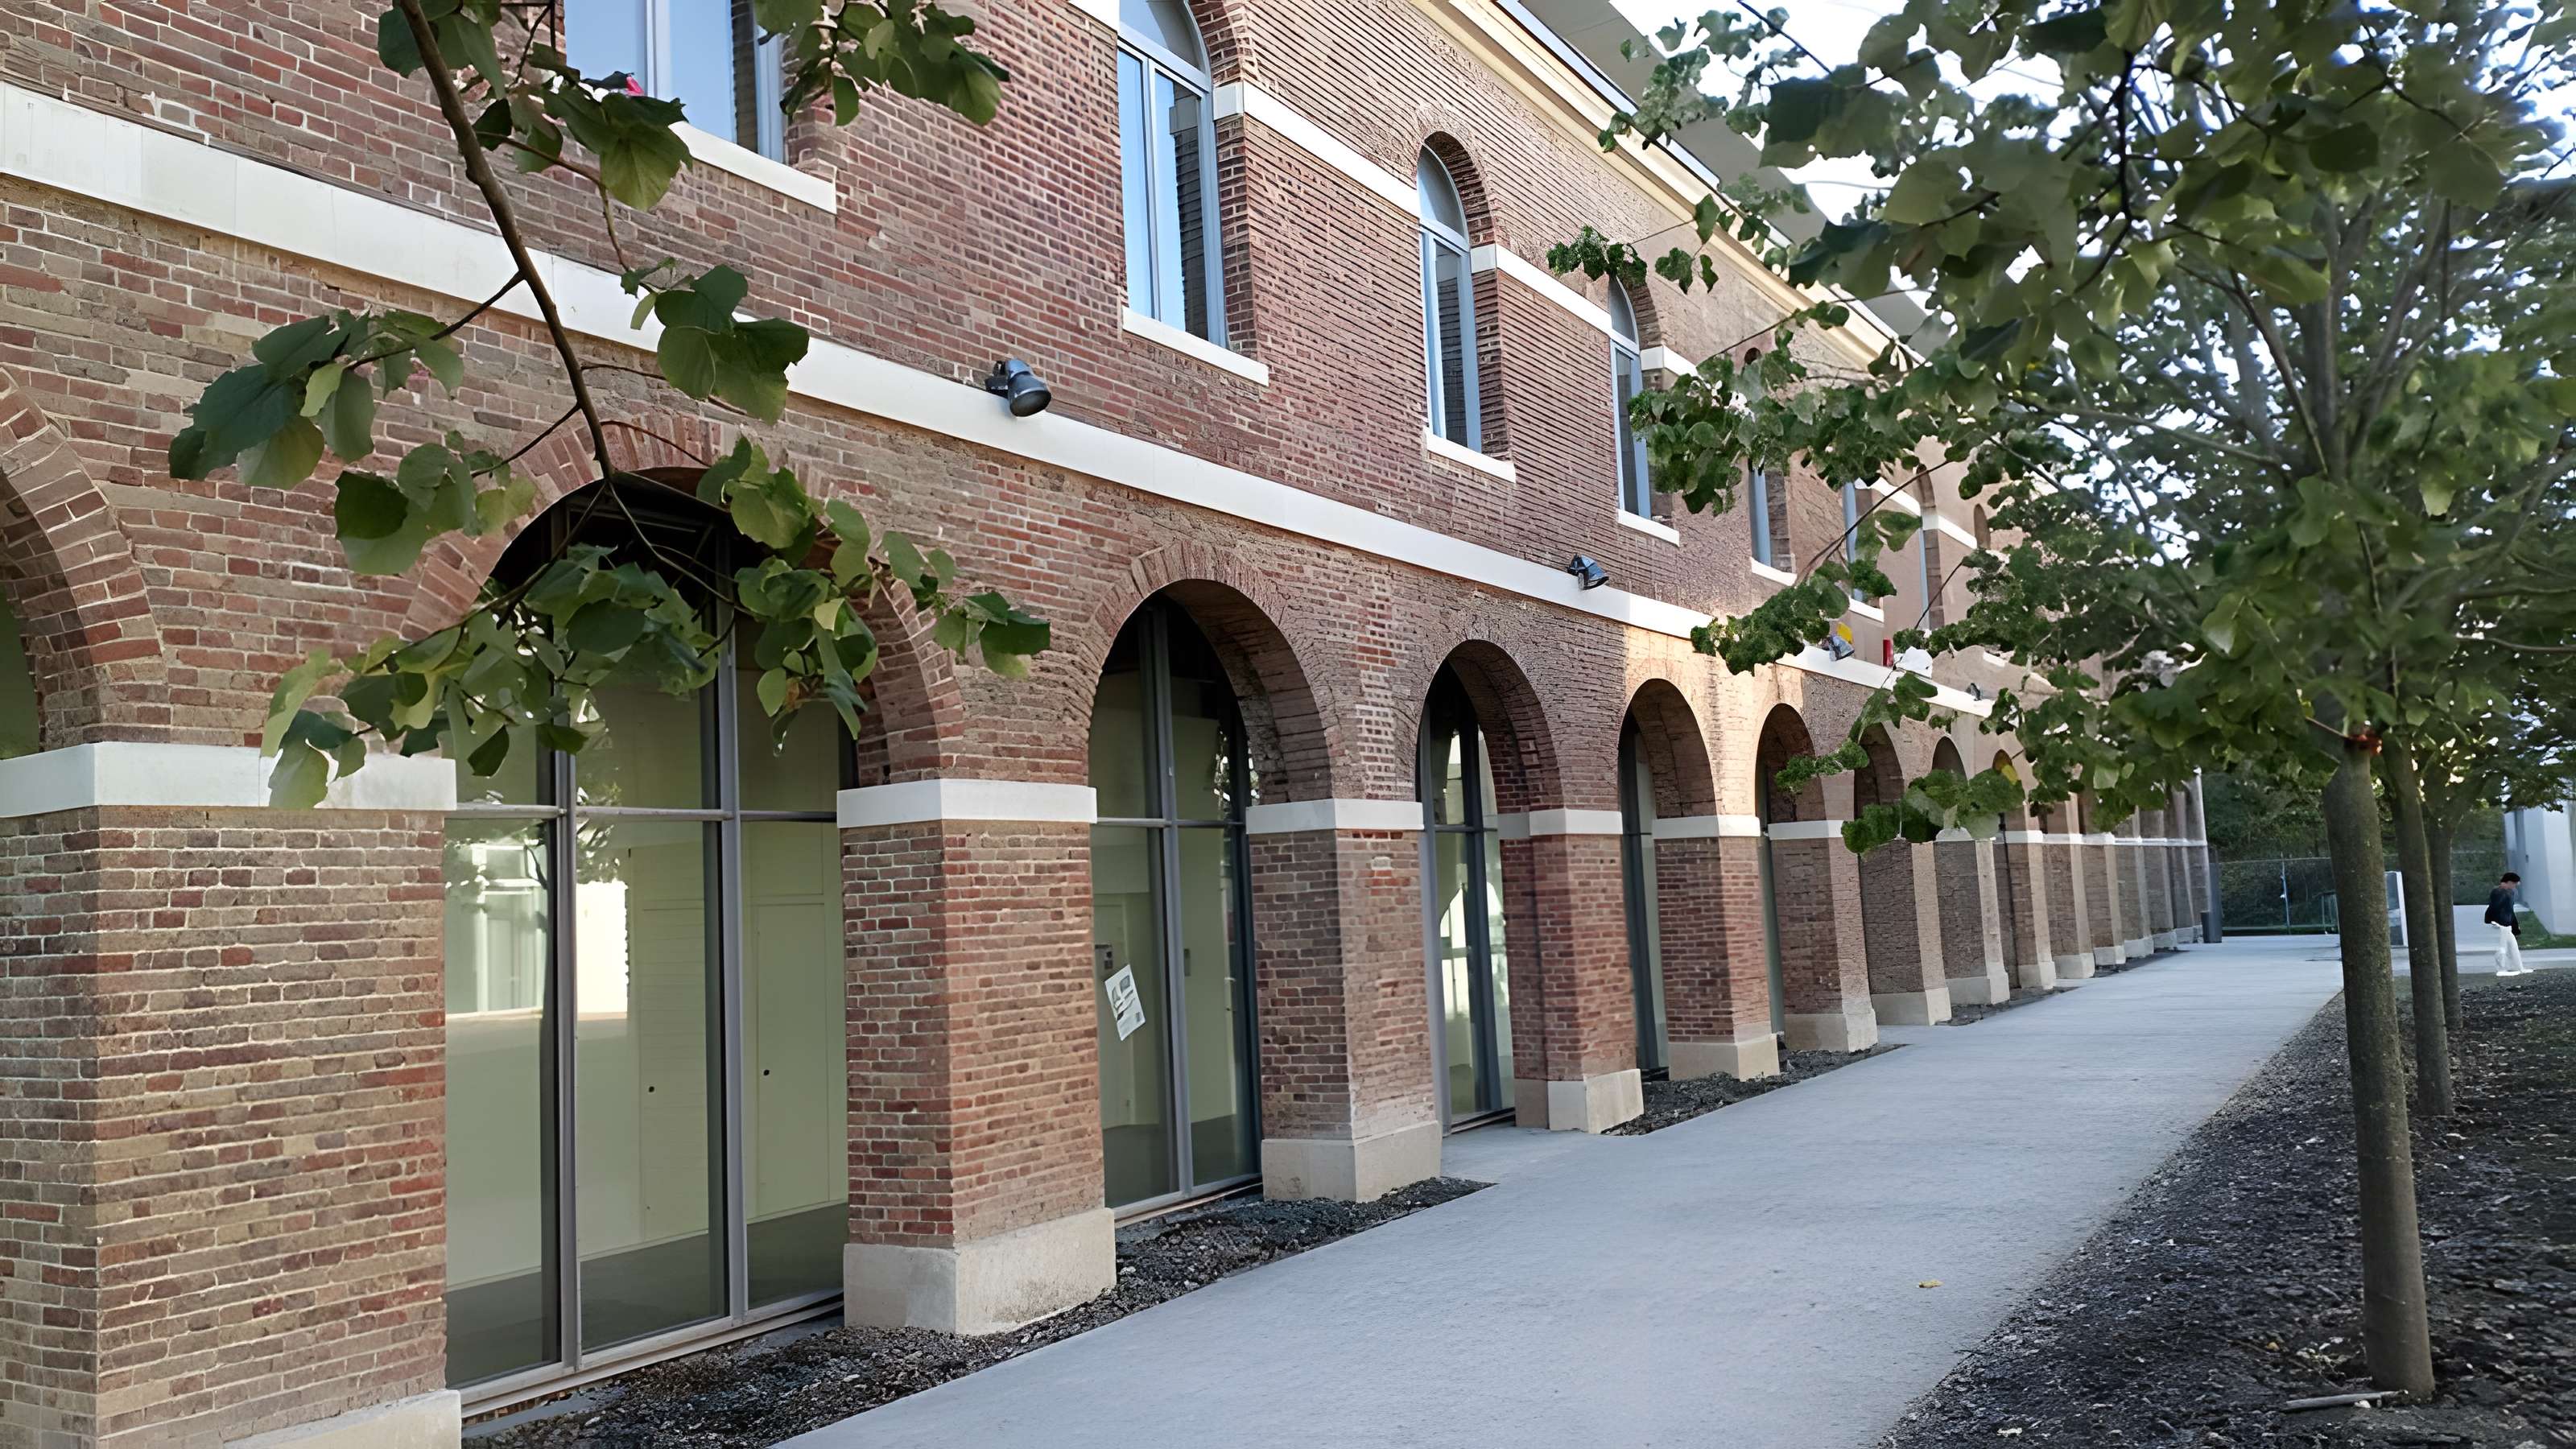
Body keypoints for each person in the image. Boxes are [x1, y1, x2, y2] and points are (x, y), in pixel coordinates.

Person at [2484, 871, 2529, 977]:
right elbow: (2493, 907)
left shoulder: (2510, 892)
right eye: (2514, 884)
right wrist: (2491, 921)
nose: (2515, 886)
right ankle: (2501, 969)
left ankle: (2518, 967)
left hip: (2507, 924)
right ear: (2509, 882)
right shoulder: (2498, 892)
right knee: (2502, 948)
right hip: (2500, 924)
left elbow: (2510, 910)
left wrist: (2515, 926)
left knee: (2513, 947)